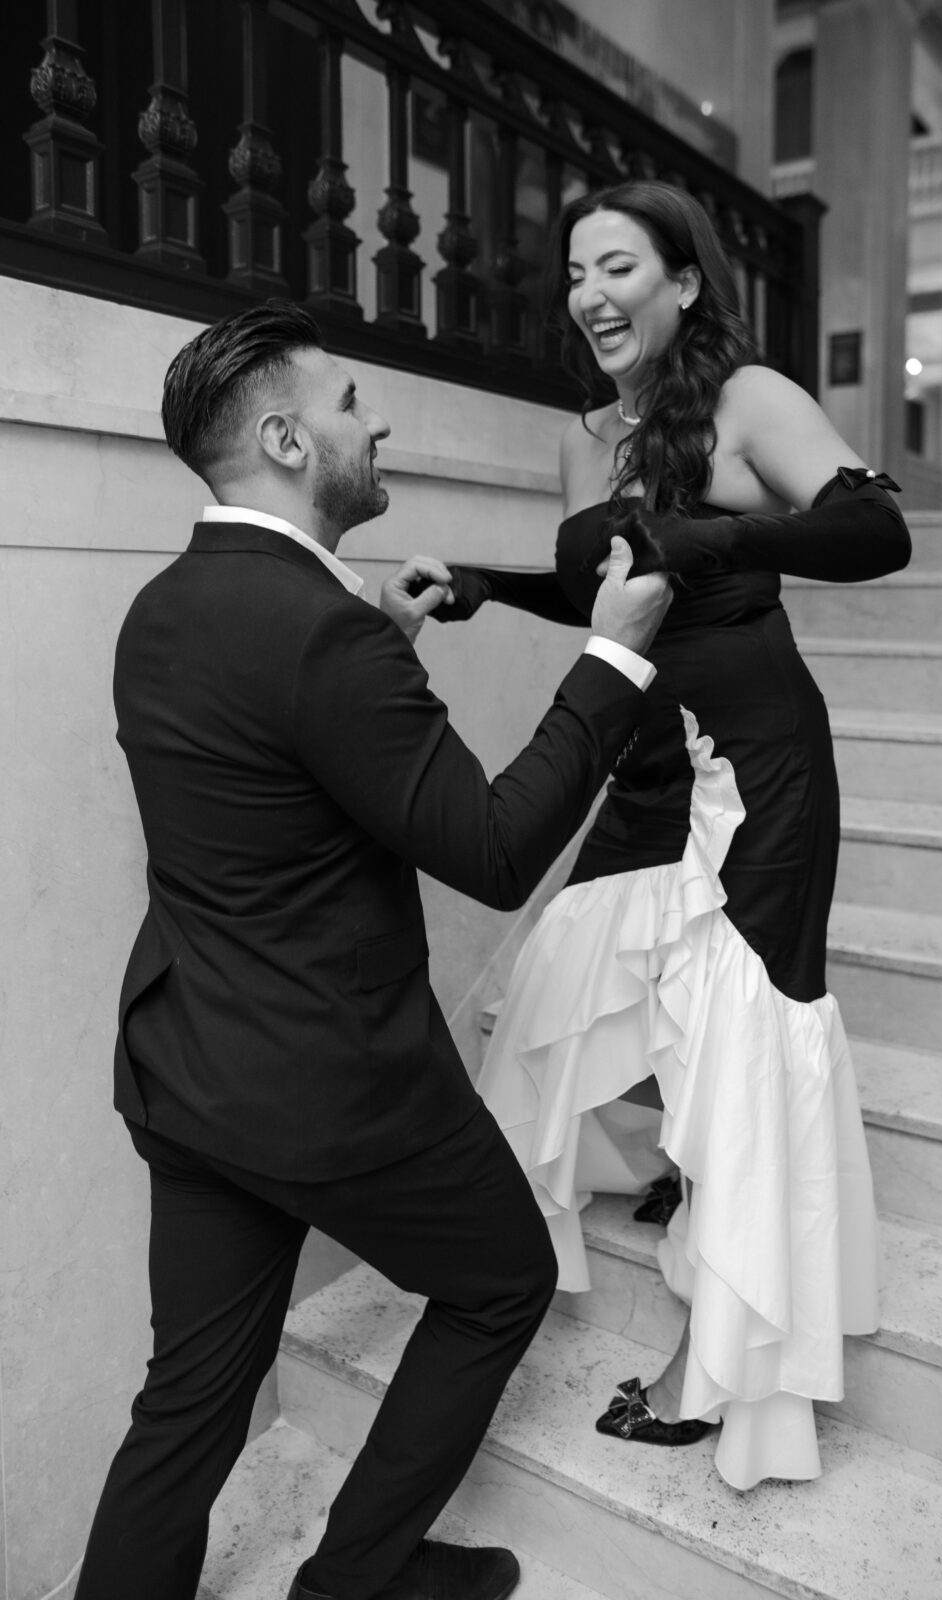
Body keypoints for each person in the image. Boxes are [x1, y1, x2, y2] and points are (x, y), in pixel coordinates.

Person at [73, 299, 671, 1600]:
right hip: (329, 1088)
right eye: (349, 402)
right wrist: (611, 662)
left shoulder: (165, 609)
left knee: (188, 1402)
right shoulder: (320, 633)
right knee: (502, 1281)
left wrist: (381, 642)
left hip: (188, 1069)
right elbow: (495, 849)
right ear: (286, 442)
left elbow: (271, 774)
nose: (378, 418)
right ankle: (353, 1584)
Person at [429, 181, 911, 1490]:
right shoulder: (588, 433)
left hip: (752, 768)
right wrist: (484, 588)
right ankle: (677, 1169)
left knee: (741, 1043)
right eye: (575, 270)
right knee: (559, 987)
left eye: (618, 267)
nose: (588, 293)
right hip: (643, 762)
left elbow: (876, 526)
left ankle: (720, 1377)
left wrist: (718, 533)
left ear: (683, 283)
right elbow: (606, 584)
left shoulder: (747, 399)